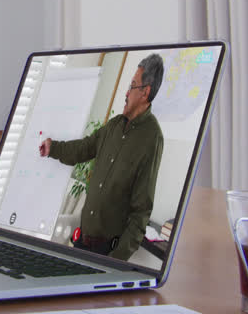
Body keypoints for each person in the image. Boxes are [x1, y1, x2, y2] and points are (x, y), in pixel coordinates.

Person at [38, 54, 165, 260]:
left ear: (145, 92)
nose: (126, 93)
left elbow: (141, 211)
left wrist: (116, 260)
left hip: (107, 253)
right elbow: (84, 148)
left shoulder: (152, 138)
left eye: (132, 86)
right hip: (81, 242)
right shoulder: (114, 125)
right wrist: (53, 148)